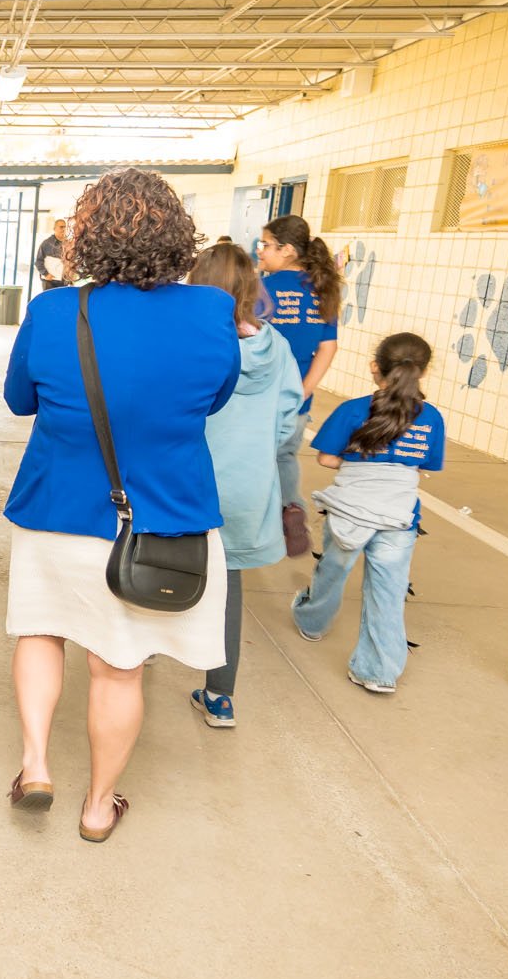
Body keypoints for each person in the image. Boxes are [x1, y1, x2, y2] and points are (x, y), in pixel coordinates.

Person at [2, 169, 238, 842]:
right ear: (177, 236)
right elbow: (213, 399)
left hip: (57, 510)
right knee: (119, 666)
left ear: (87, 237)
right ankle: (99, 805)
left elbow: (21, 400)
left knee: (41, 631)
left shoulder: (54, 312)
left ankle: (36, 764)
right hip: (160, 520)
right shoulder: (211, 312)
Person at [185, 242, 302, 728]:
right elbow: (287, 422)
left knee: (153, 563)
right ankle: (220, 697)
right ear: (252, 289)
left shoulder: (188, 342)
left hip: (186, 479)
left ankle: (140, 656)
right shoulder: (276, 348)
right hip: (247, 487)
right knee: (227, 590)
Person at [290, 333, 446, 696]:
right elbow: (427, 465)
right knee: (388, 592)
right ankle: (377, 672)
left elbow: (327, 458)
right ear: (423, 372)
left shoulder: (353, 410)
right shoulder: (432, 417)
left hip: (350, 512)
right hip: (398, 516)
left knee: (333, 569)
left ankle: (312, 622)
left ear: (375, 366)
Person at [258, 214, 342, 557]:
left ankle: (256, 521)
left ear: (287, 250)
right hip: (297, 401)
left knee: (253, 457)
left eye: (265, 245)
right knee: (286, 456)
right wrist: (304, 391)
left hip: (259, 394)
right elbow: (328, 346)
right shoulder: (323, 289)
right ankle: (292, 507)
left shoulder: (261, 289)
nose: (260, 252)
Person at [33, 217, 70, 290]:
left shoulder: (69, 244)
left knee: (61, 301)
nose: (64, 229)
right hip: (49, 281)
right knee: (49, 301)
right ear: (54, 229)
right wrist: (46, 274)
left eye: (65, 227)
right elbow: (38, 261)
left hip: (64, 281)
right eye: (61, 227)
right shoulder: (46, 243)